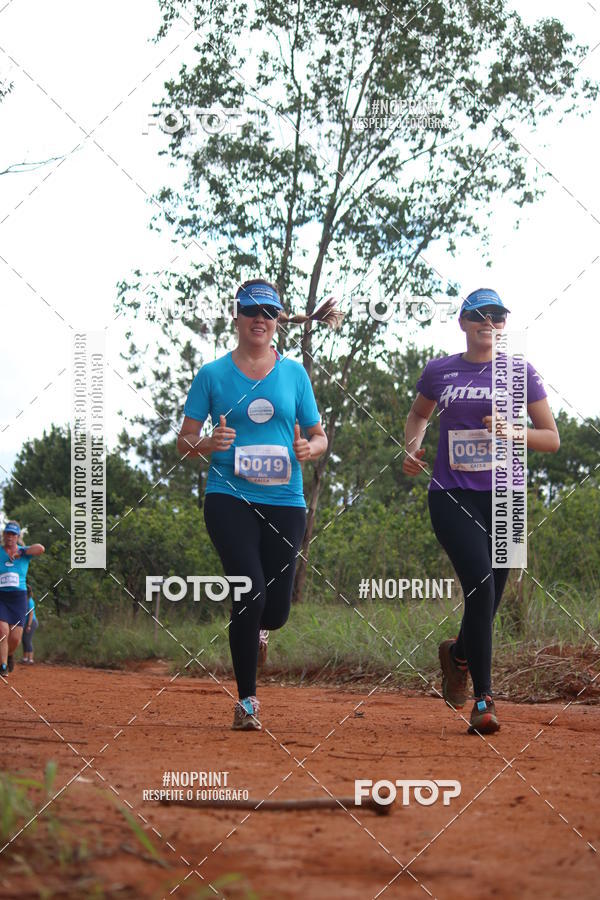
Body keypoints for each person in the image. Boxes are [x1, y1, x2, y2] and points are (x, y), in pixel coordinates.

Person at [177, 279, 341, 730]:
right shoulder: (212, 374)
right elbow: (184, 441)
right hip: (229, 497)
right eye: (251, 311)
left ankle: (263, 630)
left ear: (277, 322)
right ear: (237, 317)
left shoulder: (294, 374)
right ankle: (247, 701)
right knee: (248, 591)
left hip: (285, 501)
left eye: (268, 313)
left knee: (276, 609)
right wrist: (207, 442)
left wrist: (312, 448)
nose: (259, 320)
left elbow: (319, 435)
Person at [403, 288, 559, 734]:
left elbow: (551, 438)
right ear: (463, 322)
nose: (488, 321)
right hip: (452, 492)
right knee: (480, 583)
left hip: (506, 499)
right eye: (478, 314)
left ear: (503, 325)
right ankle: (485, 700)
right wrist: (411, 449)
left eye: (497, 315)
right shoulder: (440, 370)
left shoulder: (519, 372)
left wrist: (513, 431)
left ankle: (457, 657)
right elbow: (418, 415)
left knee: (488, 597)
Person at [0, 522, 45, 677]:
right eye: (7, 534)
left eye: (13, 534)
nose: (10, 537)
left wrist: (22, 551)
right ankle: (3, 665)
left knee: (15, 639)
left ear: (18, 537)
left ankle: (9, 655)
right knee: (3, 631)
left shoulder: (24, 553)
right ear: (3, 535)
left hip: (18, 598)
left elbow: (40, 548)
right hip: (1, 596)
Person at [22, 584, 38, 664]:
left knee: (27, 640)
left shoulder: (30, 601)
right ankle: (25, 658)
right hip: (26, 622)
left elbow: (31, 614)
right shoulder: (24, 600)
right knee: (24, 640)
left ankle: (30, 659)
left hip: (31, 622)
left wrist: (28, 625)